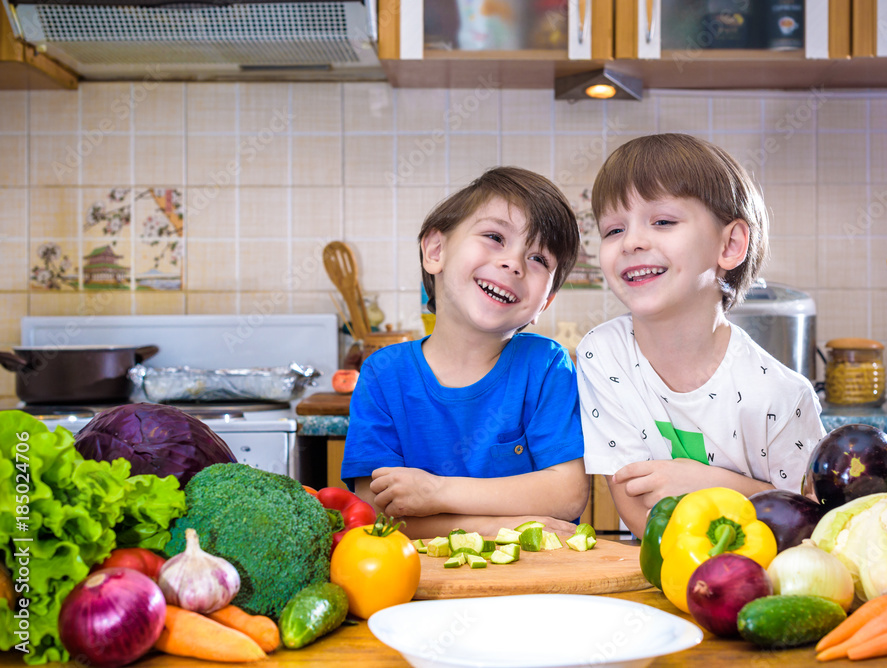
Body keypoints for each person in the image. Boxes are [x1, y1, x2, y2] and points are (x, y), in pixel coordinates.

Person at [576, 134, 826, 538]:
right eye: (613, 230)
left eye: (663, 222)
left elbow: (808, 524)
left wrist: (707, 484)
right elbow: (638, 512)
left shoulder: (781, 396)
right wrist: (752, 495)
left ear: (729, 244)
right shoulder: (604, 355)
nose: (632, 242)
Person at [342, 167, 590, 539]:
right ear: (436, 251)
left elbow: (568, 494)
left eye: (539, 259)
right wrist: (493, 527)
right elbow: (379, 512)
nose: (514, 263)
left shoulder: (546, 366)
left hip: (536, 583)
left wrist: (436, 493)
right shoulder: (383, 374)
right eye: (494, 237)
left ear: (546, 302)